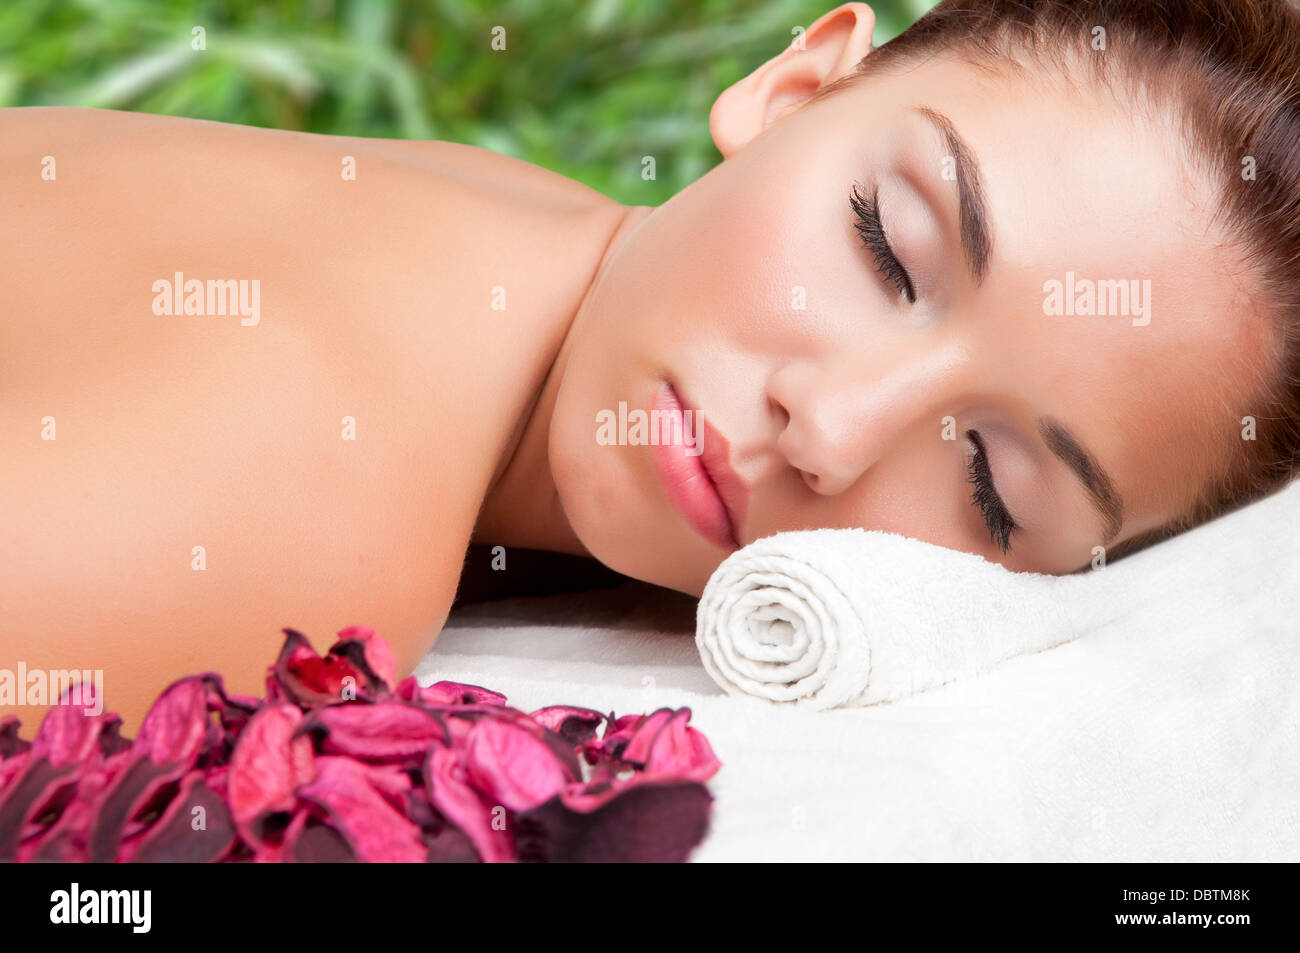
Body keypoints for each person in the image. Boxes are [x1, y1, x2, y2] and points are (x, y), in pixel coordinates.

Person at [3, 0, 1297, 730]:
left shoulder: (522, 235)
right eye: (887, 247)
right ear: (793, 89)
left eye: (993, 484)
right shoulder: (325, 515)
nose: (829, 428)